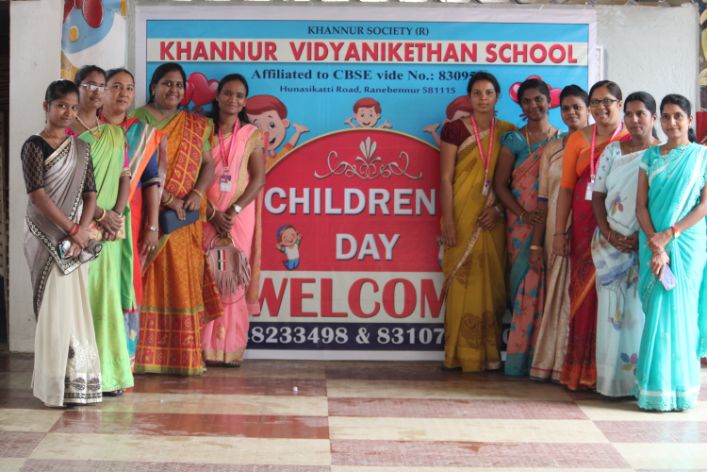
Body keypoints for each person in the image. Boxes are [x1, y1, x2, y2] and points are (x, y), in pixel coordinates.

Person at [132, 62, 223, 376]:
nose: (173, 90)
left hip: (184, 221)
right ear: (153, 87)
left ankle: (182, 357)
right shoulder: (136, 120)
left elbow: (208, 164)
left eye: (179, 85)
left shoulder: (196, 124)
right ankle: (140, 355)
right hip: (148, 214)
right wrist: (167, 199)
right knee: (146, 280)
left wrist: (198, 192)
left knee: (182, 280)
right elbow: (133, 166)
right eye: (167, 84)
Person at [22, 80, 102, 407]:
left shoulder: (81, 149)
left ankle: (79, 380)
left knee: (76, 308)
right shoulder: (34, 146)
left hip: (75, 240)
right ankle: (54, 385)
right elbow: (37, 195)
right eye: (61, 106)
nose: (67, 112)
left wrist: (81, 232)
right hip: (46, 236)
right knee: (54, 310)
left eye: (72, 107)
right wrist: (71, 228)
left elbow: (91, 194)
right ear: (47, 107)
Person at [634, 94, 707, 411]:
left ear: (690, 120)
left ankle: (681, 389)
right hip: (652, 241)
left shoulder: (701, 156)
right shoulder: (650, 156)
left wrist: (669, 235)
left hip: (686, 243)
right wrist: (655, 242)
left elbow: (704, 206)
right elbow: (640, 206)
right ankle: (655, 390)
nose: (671, 122)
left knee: (683, 312)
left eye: (678, 116)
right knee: (658, 313)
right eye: (665, 116)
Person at [554, 80, 629, 391]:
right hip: (584, 230)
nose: (600, 108)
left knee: (617, 298)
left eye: (607, 101)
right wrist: (559, 232)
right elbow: (566, 189)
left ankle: (615, 374)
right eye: (595, 102)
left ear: (620, 104)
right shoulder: (578, 140)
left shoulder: (633, 138)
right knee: (584, 298)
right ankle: (583, 372)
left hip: (622, 230)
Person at [440, 72, 515, 372]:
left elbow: (512, 182)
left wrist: (498, 210)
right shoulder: (454, 130)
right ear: (469, 98)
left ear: (497, 97)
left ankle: (489, 354)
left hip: (492, 217)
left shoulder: (508, 133)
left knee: (492, 281)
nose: (483, 98)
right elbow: (445, 178)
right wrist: (448, 221)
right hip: (462, 214)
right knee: (463, 280)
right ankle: (459, 354)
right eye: (477, 93)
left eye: (488, 93)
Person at [71, 65, 134, 395]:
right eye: (89, 85)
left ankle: (108, 375)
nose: (97, 92)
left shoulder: (114, 133)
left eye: (101, 86)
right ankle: (81, 376)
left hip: (110, 233)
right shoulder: (67, 133)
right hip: (78, 229)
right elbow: (66, 187)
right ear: (77, 89)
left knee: (106, 304)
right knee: (81, 306)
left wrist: (117, 215)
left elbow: (124, 176)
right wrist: (101, 214)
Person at [591, 92, 658, 397]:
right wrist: (608, 234)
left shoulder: (663, 154)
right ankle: (612, 384)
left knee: (640, 314)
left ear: (653, 118)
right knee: (612, 314)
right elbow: (598, 196)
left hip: (646, 245)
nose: (633, 119)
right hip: (611, 245)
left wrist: (644, 239)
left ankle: (640, 383)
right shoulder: (613, 151)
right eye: (628, 113)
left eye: (640, 113)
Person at [100, 67, 164, 369]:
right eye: (116, 86)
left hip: (131, 218)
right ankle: (96, 360)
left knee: (126, 281)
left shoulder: (142, 133)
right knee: (96, 282)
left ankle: (121, 362)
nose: (123, 93)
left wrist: (152, 225)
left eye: (129, 87)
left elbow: (151, 181)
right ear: (103, 91)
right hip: (93, 216)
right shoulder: (89, 128)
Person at [494, 78, 558, 376]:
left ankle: (545, 360)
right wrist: (522, 214)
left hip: (553, 221)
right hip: (520, 226)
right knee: (524, 285)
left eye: (538, 99)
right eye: (527, 101)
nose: (534, 106)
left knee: (551, 287)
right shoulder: (514, 141)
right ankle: (520, 362)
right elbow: (500, 184)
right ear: (520, 105)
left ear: (549, 101)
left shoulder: (563, 141)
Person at [202, 73, 265, 366]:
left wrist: (234, 210)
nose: (233, 99)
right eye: (227, 93)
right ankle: (203, 348)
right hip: (205, 214)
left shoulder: (251, 135)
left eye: (239, 95)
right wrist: (211, 213)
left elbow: (258, 178)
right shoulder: (203, 131)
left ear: (245, 102)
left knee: (233, 278)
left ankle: (229, 349)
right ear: (217, 97)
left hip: (238, 217)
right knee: (206, 275)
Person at [530, 85, 589, 381]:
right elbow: (542, 200)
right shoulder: (551, 150)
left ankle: (584, 364)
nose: (571, 113)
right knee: (557, 294)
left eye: (577, 107)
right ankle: (555, 363)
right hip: (556, 230)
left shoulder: (602, 146)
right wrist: (536, 245)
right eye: (565, 108)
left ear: (589, 109)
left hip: (590, 230)